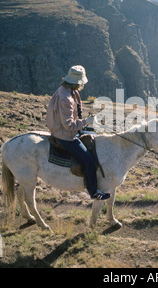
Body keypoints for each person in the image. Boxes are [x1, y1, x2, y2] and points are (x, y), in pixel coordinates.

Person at [46, 65, 110, 200]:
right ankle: (94, 192)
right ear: (77, 82)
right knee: (89, 161)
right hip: (65, 135)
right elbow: (69, 125)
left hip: (67, 130)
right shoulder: (66, 98)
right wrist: (87, 121)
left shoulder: (68, 91)